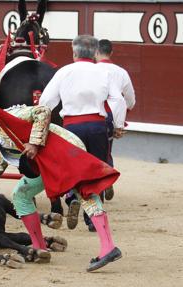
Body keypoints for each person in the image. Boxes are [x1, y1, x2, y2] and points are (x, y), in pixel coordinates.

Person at [0, 104, 122, 272]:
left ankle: (109, 248)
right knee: (20, 194)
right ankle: (39, 247)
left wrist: (33, 143)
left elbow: (42, 111)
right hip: (44, 163)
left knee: (84, 193)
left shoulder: (10, 118)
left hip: (65, 148)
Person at [39, 35, 127, 232]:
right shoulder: (104, 73)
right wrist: (118, 125)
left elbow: (45, 101)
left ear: (74, 52)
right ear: (95, 53)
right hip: (97, 126)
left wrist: (43, 125)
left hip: (72, 127)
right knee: (96, 172)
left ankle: (71, 198)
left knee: (72, 168)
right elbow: (118, 100)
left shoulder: (64, 71)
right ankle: (93, 219)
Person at [96, 39, 136, 200]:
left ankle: (94, 185)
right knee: (106, 150)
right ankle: (107, 176)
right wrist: (121, 119)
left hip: (89, 115)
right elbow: (130, 99)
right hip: (111, 119)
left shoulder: (90, 70)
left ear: (95, 52)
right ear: (111, 53)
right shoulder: (121, 72)